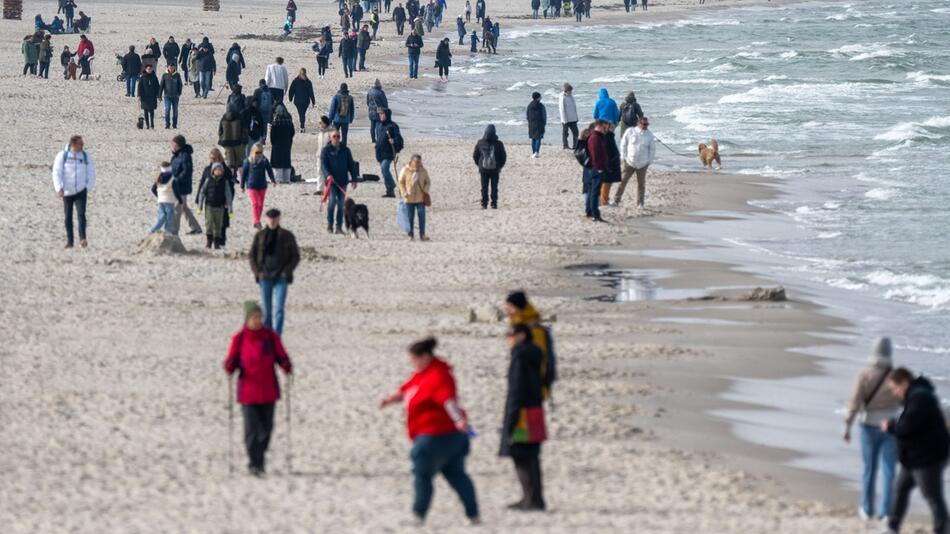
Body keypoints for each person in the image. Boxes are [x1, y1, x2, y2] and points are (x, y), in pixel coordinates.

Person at [378, 337, 480, 526]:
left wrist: (459, 420)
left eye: (413, 360)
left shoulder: (438, 376)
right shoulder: (424, 373)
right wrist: (389, 400)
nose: (412, 364)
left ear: (424, 357)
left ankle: (419, 515)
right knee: (456, 475)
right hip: (449, 437)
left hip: (435, 437)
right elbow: (408, 389)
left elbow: (448, 400)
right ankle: (473, 515)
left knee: (423, 475)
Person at [223, 300, 293, 477]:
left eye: (259, 317)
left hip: (268, 390)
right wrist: (230, 366)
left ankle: (260, 459)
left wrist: (286, 365)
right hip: (248, 391)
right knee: (251, 431)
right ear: (247, 319)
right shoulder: (239, 339)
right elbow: (231, 361)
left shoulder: (270, 337)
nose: (257, 320)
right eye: (254, 317)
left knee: (267, 429)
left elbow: (280, 355)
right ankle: (254, 463)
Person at [882, 367, 950, 534]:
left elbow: (907, 427)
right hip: (913, 457)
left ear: (904, 382)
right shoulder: (915, 395)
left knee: (932, 496)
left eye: (895, 388)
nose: (894, 393)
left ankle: (943, 530)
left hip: (928, 457)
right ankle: (892, 528)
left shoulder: (920, 398)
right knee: (901, 489)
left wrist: (890, 426)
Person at [842, 337, 901, 522]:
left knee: (869, 469)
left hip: (868, 426)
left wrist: (847, 427)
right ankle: (885, 512)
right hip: (891, 427)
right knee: (889, 470)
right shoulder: (897, 377)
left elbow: (854, 403)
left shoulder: (865, 375)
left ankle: (866, 509)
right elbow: (906, 402)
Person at [500, 324, 547, 511]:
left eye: (510, 335)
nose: (508, 339)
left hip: (522, 413)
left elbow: (516, 390)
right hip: (535, 408)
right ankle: (535, 498)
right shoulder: (535, 353)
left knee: (521, 456)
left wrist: (510, 418)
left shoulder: (520, 356)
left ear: (521, 335)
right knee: (532, 457)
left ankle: (530, 499)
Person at [504, 291, 558, 400]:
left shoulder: (533, 330)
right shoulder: (520, 326)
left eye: (510, 307)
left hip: (531, 392)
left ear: (518, 308)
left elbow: (540, 361)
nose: (507, 311)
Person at [53, 135, 96, 249]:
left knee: (81, 214)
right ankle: (70, 241)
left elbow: (91, 172)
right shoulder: (63, 155)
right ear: (73, 144)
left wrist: (88, 187)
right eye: (80, 144)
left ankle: (82, 238)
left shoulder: (86, 156)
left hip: (81, 190)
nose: (82, 146)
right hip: (67, 190)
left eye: (82, 144)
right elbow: (57, 172)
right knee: (68, 216)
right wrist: (59, 188)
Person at [320, 129, 358, 234]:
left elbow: (351, 165)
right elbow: (323, 165)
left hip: (343, 181)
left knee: (341, 204)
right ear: (330, 138)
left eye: (338, 136)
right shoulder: (326, 150)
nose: (336, 138)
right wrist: (328, 175)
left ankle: (338, 227)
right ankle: (330, 224)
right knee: (332, 202)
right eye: (334, 136)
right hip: (331, 182)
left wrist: (354, 179)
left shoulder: (345, 150)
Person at [196, 153, 235, 249]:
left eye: (220, 170)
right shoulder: (208, 180)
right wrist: (200, 206)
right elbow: (202, 192)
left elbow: (229, 195)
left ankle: (217, 243)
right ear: (213, 171)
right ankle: (209, 242)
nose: (219, 171)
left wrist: (230, 209)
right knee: (209, 224)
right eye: (217, 170)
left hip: (220, 206)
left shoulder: (224, 181)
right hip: (209, 205)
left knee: (218, 225)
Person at [616, 116, 655, 208]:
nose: (645, 126)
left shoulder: (649, 135)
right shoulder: (630, 131)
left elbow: (652, 149)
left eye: (647, 124)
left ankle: (640, 203)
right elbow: (623, 144)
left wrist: (649, 161)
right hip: (630, 162)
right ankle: (616, 200)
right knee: (623, 181)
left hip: (642, 163)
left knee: (641, 184)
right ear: (639, 123)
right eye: (644, 124)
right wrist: (623, 157)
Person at [170, 135, 202, 235]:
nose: (171, 145)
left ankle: (174, 231)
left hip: (182, 186)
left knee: (178, 207)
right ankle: (196, 228)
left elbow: (187, 170)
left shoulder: (185, 155)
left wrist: (177, 179)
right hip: (176, 185)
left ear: (178, 145)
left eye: (173, 144)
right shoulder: (176, 155)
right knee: (183, 207)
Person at [241, 144, 277, 229]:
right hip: (251, 185)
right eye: (257, 152)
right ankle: (256, 221)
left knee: (260, 204)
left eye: (260, 152)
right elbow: (244, 174)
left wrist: (273, 180)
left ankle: (257, 220)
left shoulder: (264, 161)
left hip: (262, 185)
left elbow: (269, 170)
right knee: (255, 203)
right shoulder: (248, 161)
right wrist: (242, 186)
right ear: (253, 152)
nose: (259, 154)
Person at [397, 154, 431, 241]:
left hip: (420, 198)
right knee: (409, 218)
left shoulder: (423, 170)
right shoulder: (405, 170)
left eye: (419, 162)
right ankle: (410, 235)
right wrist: (404, 192)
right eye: (416, 162)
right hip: (409, 198)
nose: (418, 164)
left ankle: (422, 234)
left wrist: (425, 190)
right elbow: (400, 182)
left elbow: (428, 182)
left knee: (422, 216)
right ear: (411, 161)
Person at [472, 124, 507, 209]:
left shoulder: (480, 142)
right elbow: (503, 157)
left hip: (483, 169)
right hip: (495, 169)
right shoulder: (499, 144)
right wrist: (500, 166)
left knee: (484, 187)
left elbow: (475, 156)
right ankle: (494, 203)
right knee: (494, 187)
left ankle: (484, 204)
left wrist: (479, 165)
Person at [374, 108, 403, 197]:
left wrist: (394, 140)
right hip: (380, 153)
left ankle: (391, 185)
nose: (381, 116)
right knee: (383, 171)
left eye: (383, 114)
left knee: (384, 168)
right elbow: (378, 138)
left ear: (387, 115)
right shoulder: (378, 125)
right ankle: (390, 192)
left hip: (389, 153)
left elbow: (400, 140)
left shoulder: (393, 126)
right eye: (380, 114)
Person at [585, 120, 609, 222]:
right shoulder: (595, 137)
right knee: (594, 192)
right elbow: (595, 153)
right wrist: (599, 168)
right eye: (604, 127)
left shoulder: (598, 136)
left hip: (596, 167)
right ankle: (595, 214)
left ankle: (591, 212)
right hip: (596, 168)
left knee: (592, 191)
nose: (606, 129)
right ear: (599, 126)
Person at [270, 105, 296, 184]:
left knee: (278, 163)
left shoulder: (276, 121)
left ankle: (279, 179)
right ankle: (287, 179)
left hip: (277, 145)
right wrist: (289, 140)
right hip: (287, 143)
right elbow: (292, 132)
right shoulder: (288, 120)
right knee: (286, 161)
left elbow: (272, 135)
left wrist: (273, 142)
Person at [149, 162, 178, 234]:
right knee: (169, 217)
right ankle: (167, 231)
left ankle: (152, 230)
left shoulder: (159, 176)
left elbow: (153, 189)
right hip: (169, 199)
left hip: (161, 199)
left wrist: (159, 196)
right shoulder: (172, 177)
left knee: (161, 217)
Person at [218, 110, 247, 176]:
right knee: (240, 163)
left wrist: (222, 141)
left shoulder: (224, 118)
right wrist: (244, 142)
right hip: (238, 143)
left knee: (230, 164)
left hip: (227, 143)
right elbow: (244, 130)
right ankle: (242, 179)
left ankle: (231, 178)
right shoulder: (240, 117)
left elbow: (220, 131)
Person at [599, 123, 621, 207]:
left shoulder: (610, 136)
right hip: (608, 163)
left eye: (613, 127)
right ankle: (604, 201)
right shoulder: (606, 137)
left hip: (612, 162)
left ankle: (605, 200)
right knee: (606, 182)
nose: (613, 128)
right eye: (611, 127)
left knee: (608, 182)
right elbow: (607, 151)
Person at [159, 64, 183, 130]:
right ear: (167, 67)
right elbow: (161, 85)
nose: (171, 68)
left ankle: (174, 125)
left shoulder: (177, 75)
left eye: (172, 67)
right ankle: (167, 125)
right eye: (170, 67)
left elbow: (180, 84)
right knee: (167, 109)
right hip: (167, 96)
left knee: (175, 111)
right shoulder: (164, 75)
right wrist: (159, 95)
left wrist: (179, 93)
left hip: (175, 96)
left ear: (174, 67)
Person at [137, 64, 161, 130]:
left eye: (150, 69)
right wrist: (139, 95)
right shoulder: (142, 77)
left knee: (152, 111)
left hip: (152, 96)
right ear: (145, 69)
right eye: (148, 69)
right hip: (144, 97)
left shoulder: (154, 77)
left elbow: (157, 87)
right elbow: (139, 87)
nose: (149, 70)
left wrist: (158, 95)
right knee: (145, 111)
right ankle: (147, 125)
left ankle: (152, 124)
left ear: (152, 69)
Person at [367, 79, 389, 144]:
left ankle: (373, 139)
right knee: (378, 125)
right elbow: (385, 102)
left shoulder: (369, 91)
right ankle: (378, 139)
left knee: (372, 125)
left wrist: (370, 107)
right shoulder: (380, 92)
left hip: (371, 110)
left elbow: (367, 102)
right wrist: (386, 110)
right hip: (379, 110)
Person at [558, 83, 579, 150]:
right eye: (570, 90)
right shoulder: (562, 97)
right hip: (566, 119)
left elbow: (574, 108)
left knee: (576, 133)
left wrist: (576, 118)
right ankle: (565, 145)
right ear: (566, 90)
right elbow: (562, 109)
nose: (571, 92)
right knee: (565, 133)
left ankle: (575, 145)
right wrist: (564, 120)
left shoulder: (571, 97)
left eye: (571, 91)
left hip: (573, 118)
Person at [526, 92, 547, 158]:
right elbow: (544, 115)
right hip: (539, 123)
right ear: (538, 97)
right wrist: (544, 123)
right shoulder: (541, 105)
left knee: (533, 138)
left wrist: (529, 121)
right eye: (540, 96)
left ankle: (533, 152)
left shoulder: (529, 105)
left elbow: (527, 115)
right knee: (538, 138)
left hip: (531, 124)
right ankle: (537, 152)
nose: (541, 97)